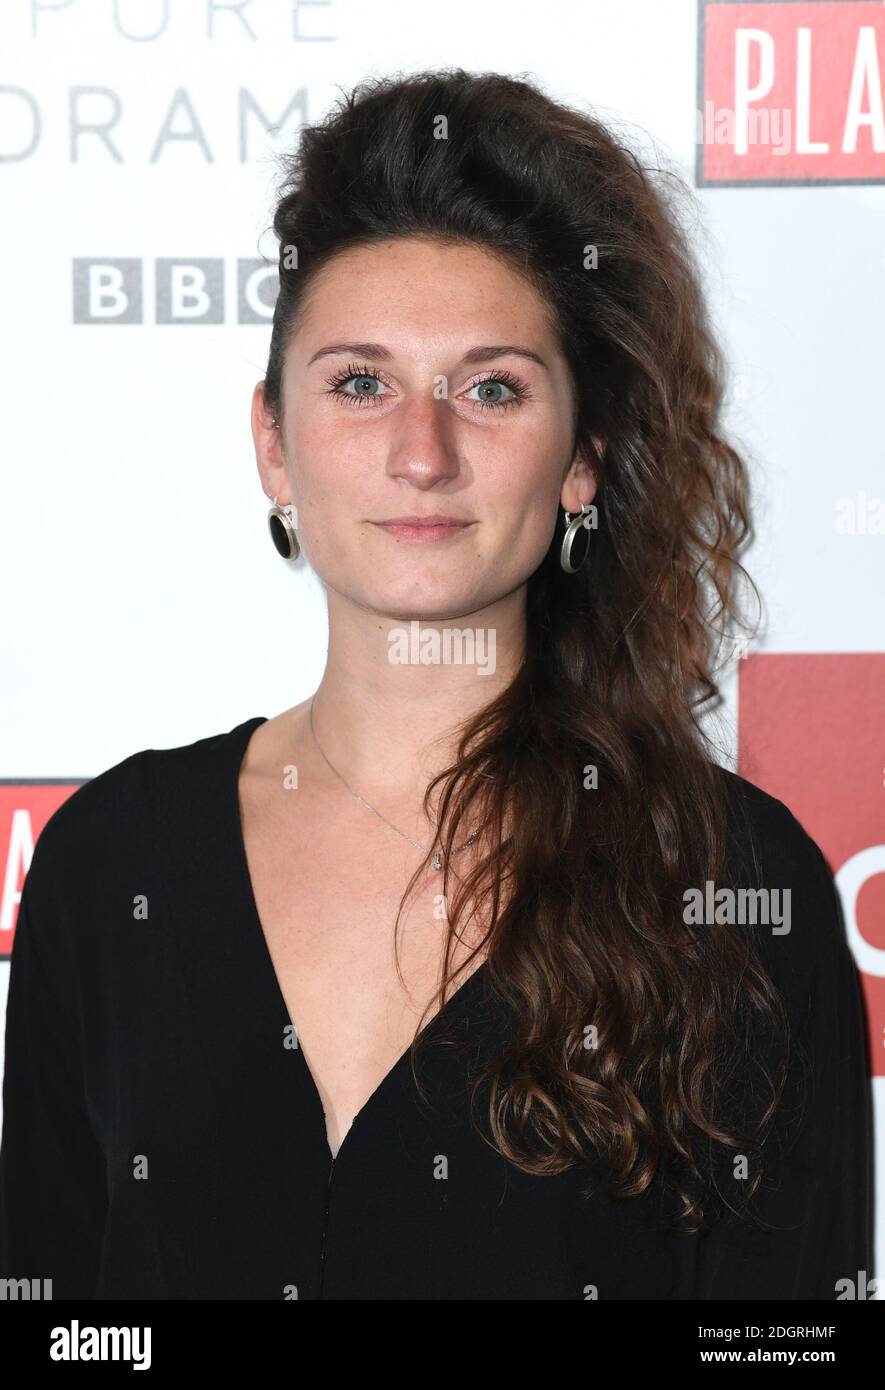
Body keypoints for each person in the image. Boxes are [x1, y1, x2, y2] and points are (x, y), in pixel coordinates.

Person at [0, 68, 871, 1300]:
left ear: (582, 462)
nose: (423, 452)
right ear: (272, 441)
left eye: (492, 387)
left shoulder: (727, 883)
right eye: (361, 383)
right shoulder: (108, 868)